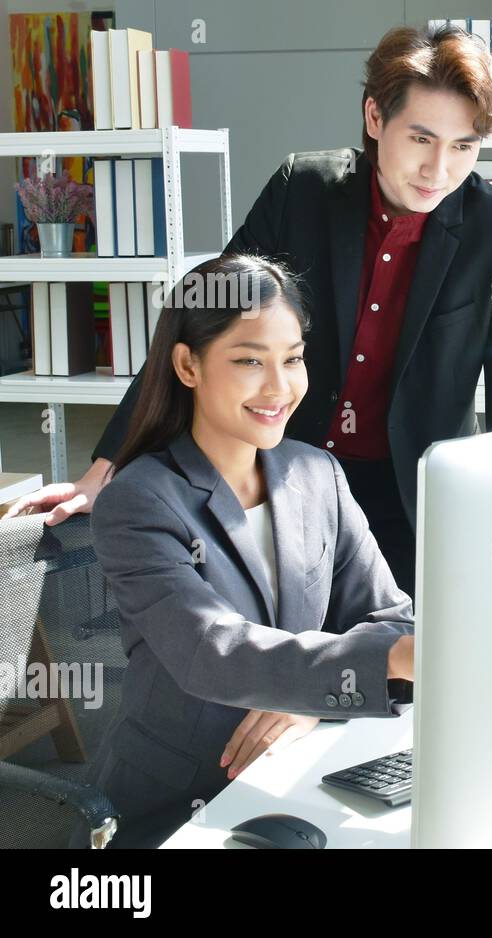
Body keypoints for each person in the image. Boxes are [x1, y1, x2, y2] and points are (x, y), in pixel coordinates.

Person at [5, 23, 492, 597]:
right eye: (421, 139)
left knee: (399, 667)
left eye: (463, 147)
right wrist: (107, 467)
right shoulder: (303, 191)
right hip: (280, 475)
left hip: (410, 497)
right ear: (374, 117)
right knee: (271, 657)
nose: (438, 170)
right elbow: (202, 318)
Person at [72, 254, 416, 849]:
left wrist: (311, 706)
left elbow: (391, 617)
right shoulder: (138, 501)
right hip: (176, 806)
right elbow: (214, 652)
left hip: (293, 775)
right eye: (250, 361)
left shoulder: (316, 474)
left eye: (293, 358)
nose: (279, 387)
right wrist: (385, 661)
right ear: (188, 364)